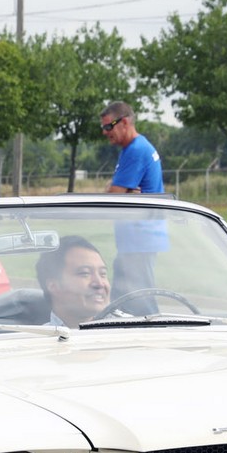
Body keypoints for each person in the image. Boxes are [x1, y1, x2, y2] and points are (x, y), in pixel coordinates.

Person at [101, 101, 167, 305]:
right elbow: (117, 191)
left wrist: (116, 190)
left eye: (108, 126)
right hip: (138, 239)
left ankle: (155, 332)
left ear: (125, 122)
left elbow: (114, 196)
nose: (105, 132)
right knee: (125, 299)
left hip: (139, 238)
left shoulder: (135, 150)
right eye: (103, 128)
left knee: (141, 299)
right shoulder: (135, 148)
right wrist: (118, 190)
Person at [37, 235, 111, 327]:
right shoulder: (36, 340)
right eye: (85, 273)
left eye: (103, 274)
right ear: (53, 286)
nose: (100, 284)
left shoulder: (129, 329)